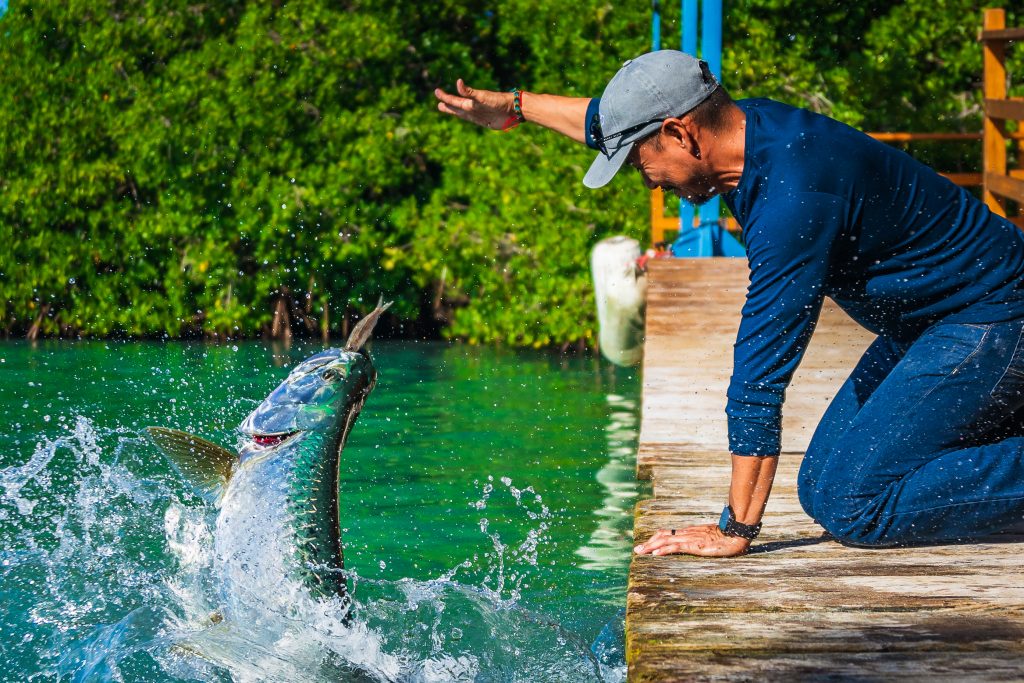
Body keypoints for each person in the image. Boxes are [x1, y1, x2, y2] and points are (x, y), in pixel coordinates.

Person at [434, 50, 1024, 557]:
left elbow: (762, 370)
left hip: (993, 316)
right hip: (928, 324)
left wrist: (736, 526)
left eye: (641, 162)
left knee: (853, 504)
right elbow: (604, 119)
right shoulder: (743, 128)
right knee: (820, 486)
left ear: (680, 133)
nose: (646, 181)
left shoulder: (793, 196)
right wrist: (514, 106)